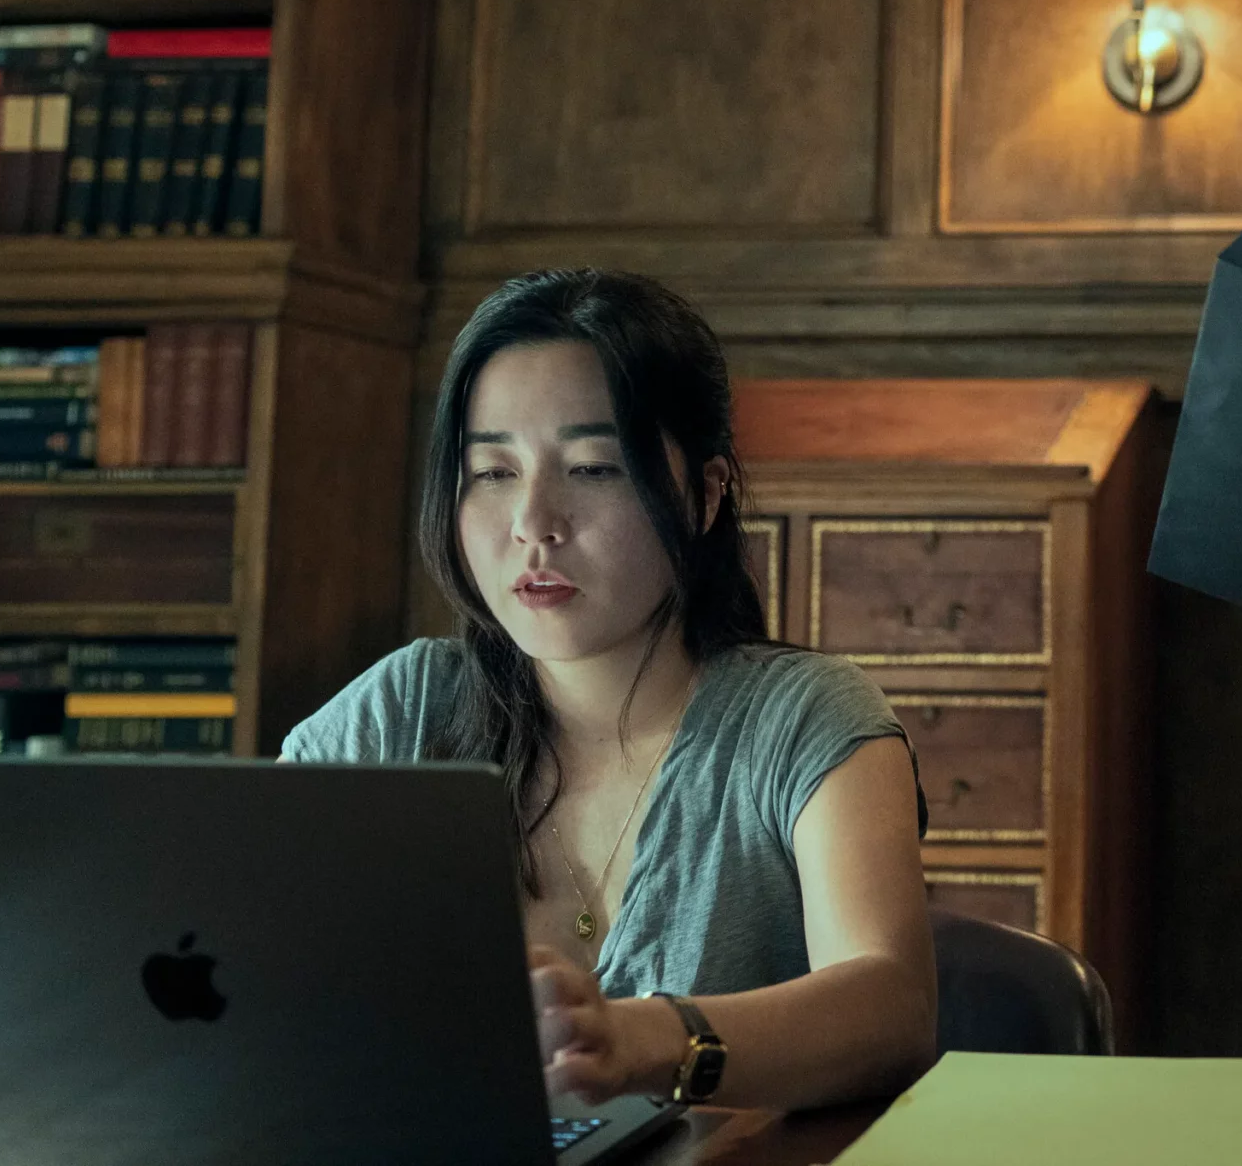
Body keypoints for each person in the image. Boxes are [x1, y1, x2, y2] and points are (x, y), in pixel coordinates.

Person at [281, 269, 936, 1112]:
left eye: (593, 467)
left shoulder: (805, 718)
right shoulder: (399, 711)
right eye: (492, 471)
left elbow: (891, 1006)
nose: (533, 521)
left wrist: (648, 1040)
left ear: (704, 494)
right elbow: (244, 957)